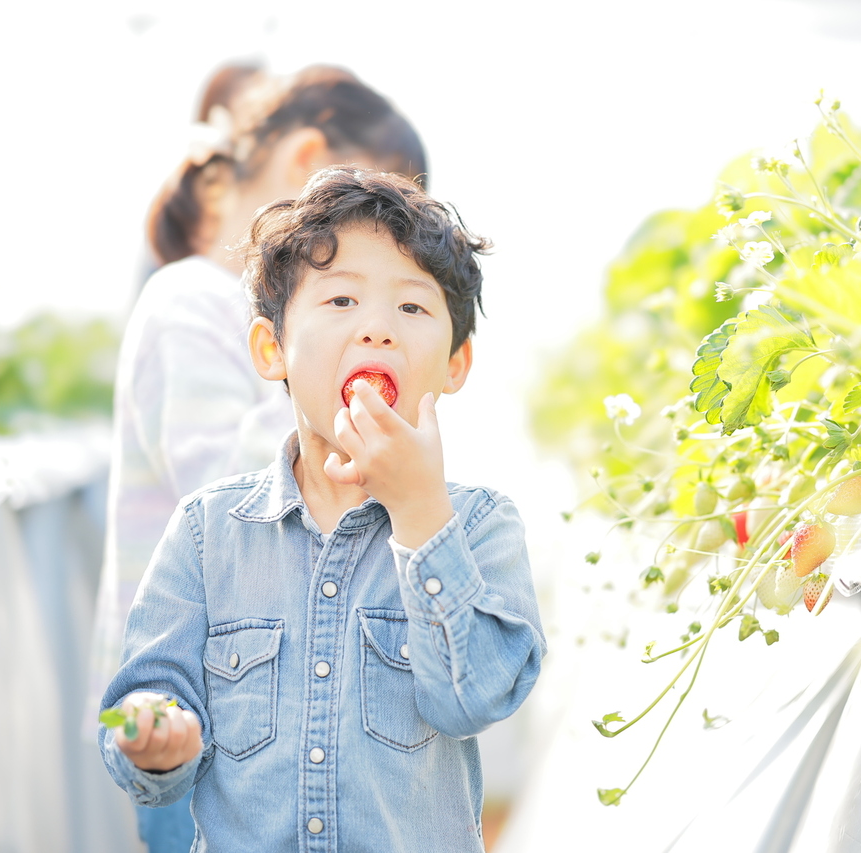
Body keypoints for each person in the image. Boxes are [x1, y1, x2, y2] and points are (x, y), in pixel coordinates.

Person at [98, 167, 545, 851]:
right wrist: (158, 736)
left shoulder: (483, 526)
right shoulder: (206, 530)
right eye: (340, 300)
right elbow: (151, 696)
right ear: (271, 348)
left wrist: (420, 511)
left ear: (456, 364)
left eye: (413, 308)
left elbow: (477, 698)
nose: (377, 330)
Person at [86, 66, 429, 852]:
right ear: (307, 159)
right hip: (198, 706)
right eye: (372, 215)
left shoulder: (266, 319)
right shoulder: (190, 299)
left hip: (270, 702)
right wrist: (332, 388)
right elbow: (224, 491)